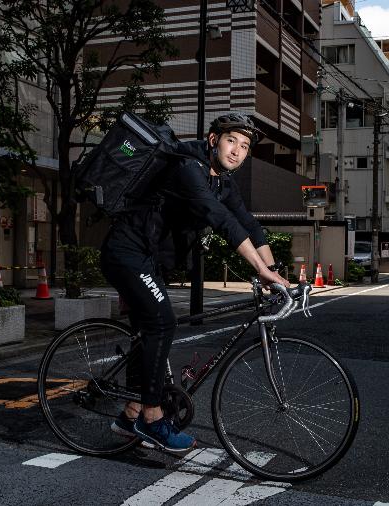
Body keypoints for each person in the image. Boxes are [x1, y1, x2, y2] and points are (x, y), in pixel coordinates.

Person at [101, 112, 289, 454]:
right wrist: (259, 269)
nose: (237, 151)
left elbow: (248, 224)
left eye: (245, 146)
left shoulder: (223, 181)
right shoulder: (188, 167)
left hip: (150, 262)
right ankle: (153, 418)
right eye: (231, 140)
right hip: (126, 253)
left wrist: (273, 269)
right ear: (214, 139)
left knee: (146, 335)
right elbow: (218, 218)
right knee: (162, 323)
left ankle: (129, 416)